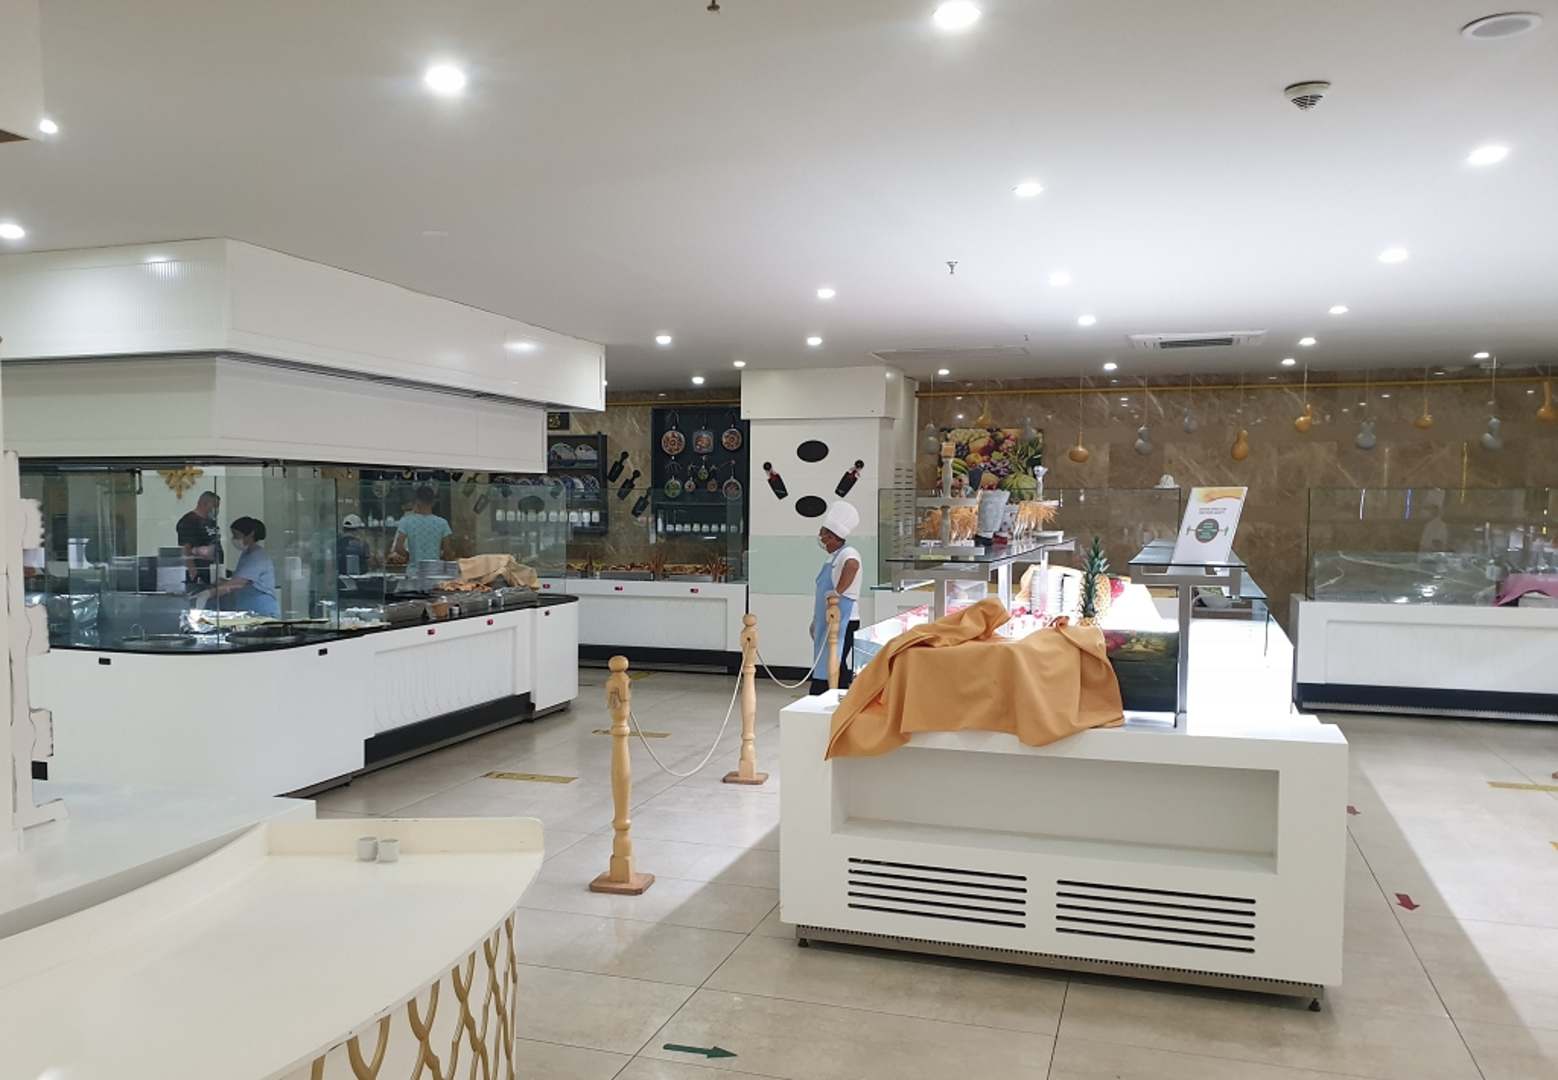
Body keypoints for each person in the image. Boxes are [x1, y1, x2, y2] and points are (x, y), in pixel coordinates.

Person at [809, 500, 862, 696]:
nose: (821, 538)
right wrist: (816, 621)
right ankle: (838, 696)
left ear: (832, 537)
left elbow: (852, 566)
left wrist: (838, 592)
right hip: (828, 620)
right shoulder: (834, 556)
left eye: (823, 534)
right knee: (833, 661)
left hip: (844, 621)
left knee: (834, 659)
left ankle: (825, 696)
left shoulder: (849, 553)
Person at [204, 516, 280, 616]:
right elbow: (244, 582)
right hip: (249, 609)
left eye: (237, 535)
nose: (234, 539)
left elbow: (239, 583)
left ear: (251, 534)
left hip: (261, 610)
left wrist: (208, 593)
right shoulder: (247, 554)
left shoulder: (258, 556)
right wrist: (223, 583)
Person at [392, 485, 453, 566]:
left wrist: (410, 556)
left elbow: (398, 547)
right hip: (433, 570)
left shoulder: (406, 521)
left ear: (417, 501)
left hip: (414, 570)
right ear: (433, 502)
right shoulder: (442, 523)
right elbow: (448, 551)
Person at [177, 490, 223, 588]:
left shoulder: (211, 521)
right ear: (204, 503)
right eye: (215, 506)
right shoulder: (189, 520)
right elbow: (186, 548)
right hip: (200, 572)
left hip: (213, 570)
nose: (216, 509)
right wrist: (192, 570)